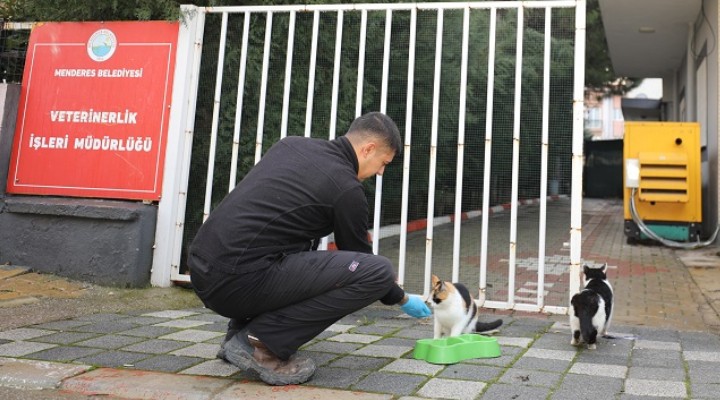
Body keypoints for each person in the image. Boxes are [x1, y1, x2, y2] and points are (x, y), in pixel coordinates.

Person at [187, 111, 432, 386]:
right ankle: (261, 345)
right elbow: (363, 261)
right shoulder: (346, 189)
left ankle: (240, 335)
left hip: (204, 271)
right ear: (368, 149)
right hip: (237, 281)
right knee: (378, 272)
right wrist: (399, 297)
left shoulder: (291, 145)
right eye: (383, 163)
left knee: (296, 245)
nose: (381, 171)